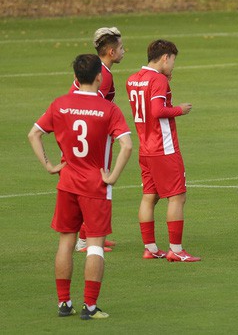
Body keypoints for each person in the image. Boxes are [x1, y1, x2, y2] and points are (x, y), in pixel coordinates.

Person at [28, 54, 132, 319]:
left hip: (67, 183)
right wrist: (112, 176)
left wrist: (50, 166)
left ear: (76, 78)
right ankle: (90, 307)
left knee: (66, 242)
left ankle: (64, 304)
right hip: (96, 187)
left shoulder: (60, 103)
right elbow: (127, 145)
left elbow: (34, 134)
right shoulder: (108, 109)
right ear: (99, 76)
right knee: (95, 245)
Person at [126, 39, 200, 262]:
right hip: (164, 147)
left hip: (145, 147)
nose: (174, 65)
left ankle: (150, 248)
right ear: (165, 57)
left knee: (150, 196)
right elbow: (158, 111)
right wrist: (180, 109)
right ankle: (176, 251)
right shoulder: (158, 80)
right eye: (173, 60)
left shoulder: (133, 79)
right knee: (177, 197)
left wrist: (164, 82)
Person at [73, 27, 126, 253]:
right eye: (122, 47)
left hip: (85, 134)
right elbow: (94, 107)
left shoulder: (95, 69)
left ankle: (93, 235)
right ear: (111, 52)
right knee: (98, 185)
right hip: (95, 139)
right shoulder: (102, 76)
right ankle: (85, 240)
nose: (125, 51)